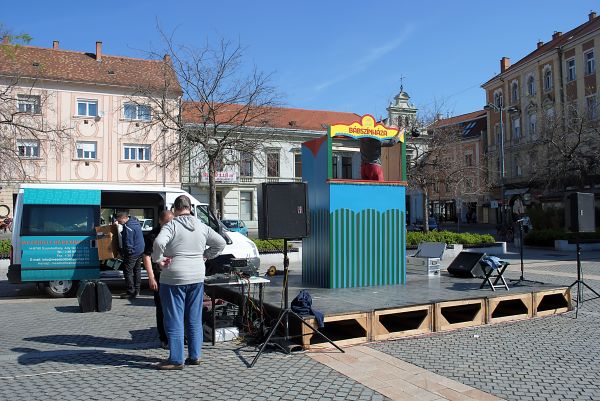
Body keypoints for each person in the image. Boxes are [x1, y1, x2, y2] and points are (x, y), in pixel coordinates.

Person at [152, 195, 226, 370]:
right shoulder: (201, 226)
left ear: (175, 209)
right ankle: (195, 355)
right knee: (194, 317)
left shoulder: (172, 225)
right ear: (190, 208)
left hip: (174, 277)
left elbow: (158, 242)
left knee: (174, 318)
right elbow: (221, 243)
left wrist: (159, 260)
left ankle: (176, 359)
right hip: (196, 276)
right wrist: (206, 255)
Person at [142, 210, 174, 349]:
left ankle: (178, 336)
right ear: (160, 221)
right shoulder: (152, 236)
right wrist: (151, 277)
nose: (169, 225)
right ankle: (164, 338)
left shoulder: (176, 232)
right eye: (167, 222)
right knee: (161, 308)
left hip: (174, 276)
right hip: (159, 276)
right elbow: (146, 256)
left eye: (171, 222)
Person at [116, 211, 145, 299]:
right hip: (140, 250)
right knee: (137, 270)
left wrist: (125, 253)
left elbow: (128, 243)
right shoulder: (135, 222)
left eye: (119, 221)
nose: (119, 223)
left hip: (133, 252)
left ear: (123, 218)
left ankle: (130, 292)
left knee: (127, 271)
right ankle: (137, 290)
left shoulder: (128, 227)